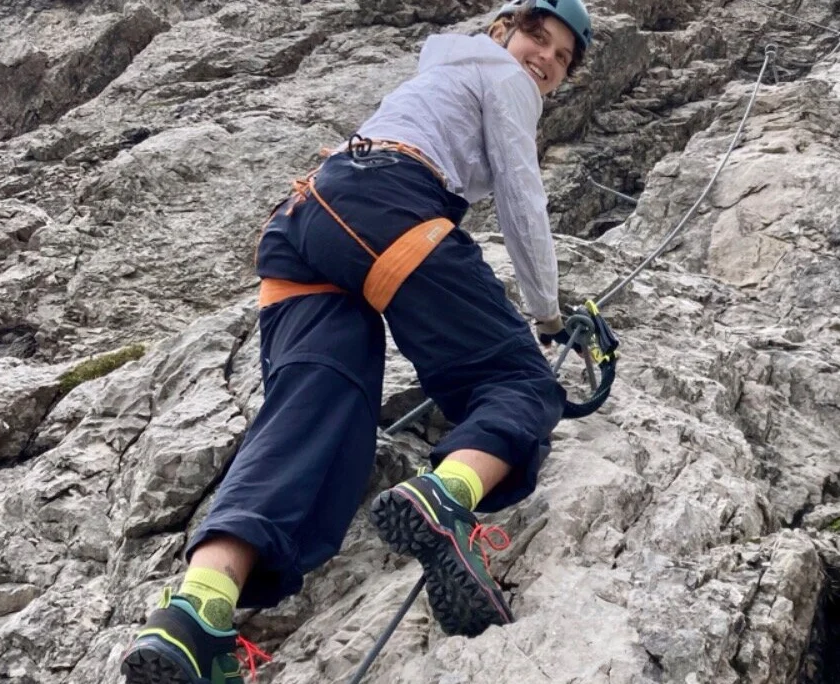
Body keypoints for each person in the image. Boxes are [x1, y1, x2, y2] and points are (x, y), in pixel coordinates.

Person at [118, 1, 593, 681]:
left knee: (312, 414)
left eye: (560, 59)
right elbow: (521, 190)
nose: (545, 59)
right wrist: (547, 314)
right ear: (502, 33)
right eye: (537, 39)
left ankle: (196, 613)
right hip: (388, 203)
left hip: (305, 219)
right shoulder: (504, 76)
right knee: (521, 381)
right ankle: (445, 500)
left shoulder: (443, 71)